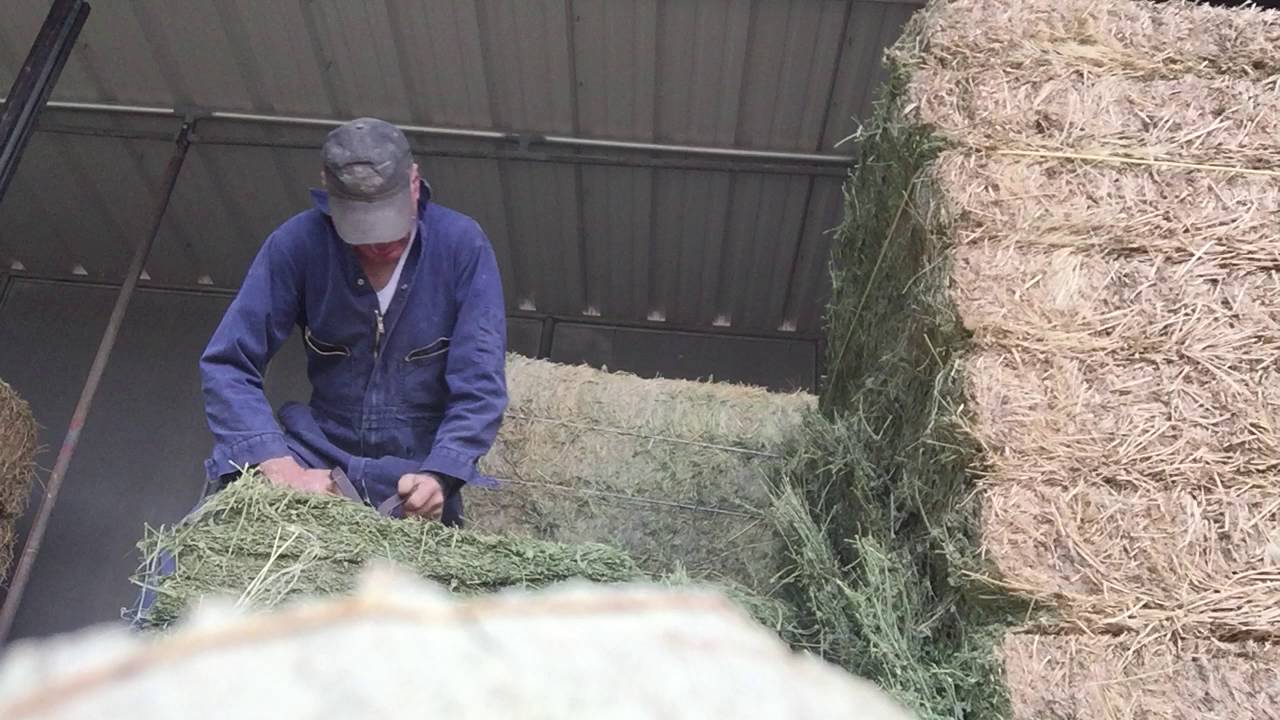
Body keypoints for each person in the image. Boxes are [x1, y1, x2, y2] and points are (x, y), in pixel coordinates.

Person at [198, 117, 508, 526]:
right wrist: (277, 463)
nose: (379, 243)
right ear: (328, 194)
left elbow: (480, 383)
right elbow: (228, 364)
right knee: (198, 545)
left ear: (414, 183)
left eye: (389, 222)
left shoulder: (462, 246)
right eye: (361, 227)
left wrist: (442, 473)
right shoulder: (297, 244)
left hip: (413, 466)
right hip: (317, 453)